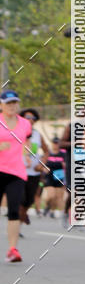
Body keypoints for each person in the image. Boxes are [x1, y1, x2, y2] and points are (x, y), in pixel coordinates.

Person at [0, 90, 32, 262]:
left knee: (14, 210)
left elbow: (27, 141)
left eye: (14, 103)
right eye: (8, 103)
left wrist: (27, 153)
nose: (12, 106)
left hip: (16, 172)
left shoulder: (25, 123)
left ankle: (13, 249)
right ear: (1, 105)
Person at [19, 108, 48, 224]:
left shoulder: (37, 135)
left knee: (30, 199)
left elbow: (46, 151)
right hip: (19, 171)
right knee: (21, 198)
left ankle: (23, 214)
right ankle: (18, 222)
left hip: (34, 172)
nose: (30, 120)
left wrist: (42, 163)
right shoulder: (16, 132)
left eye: (33, 118)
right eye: (27, 117)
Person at [41, 137, 66, 216]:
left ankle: (52, 211)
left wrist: (65, 165)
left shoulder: (63, 153)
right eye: (54, 143)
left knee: (58, 196)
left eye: (57, 143)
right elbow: (41, 164)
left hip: (60, 176)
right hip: (49, 176)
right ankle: (47, 206)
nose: (55, 145)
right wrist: (44, 169)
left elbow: (67, 164)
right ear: (51, 144)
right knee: (51, 195)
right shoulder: (47, 153)